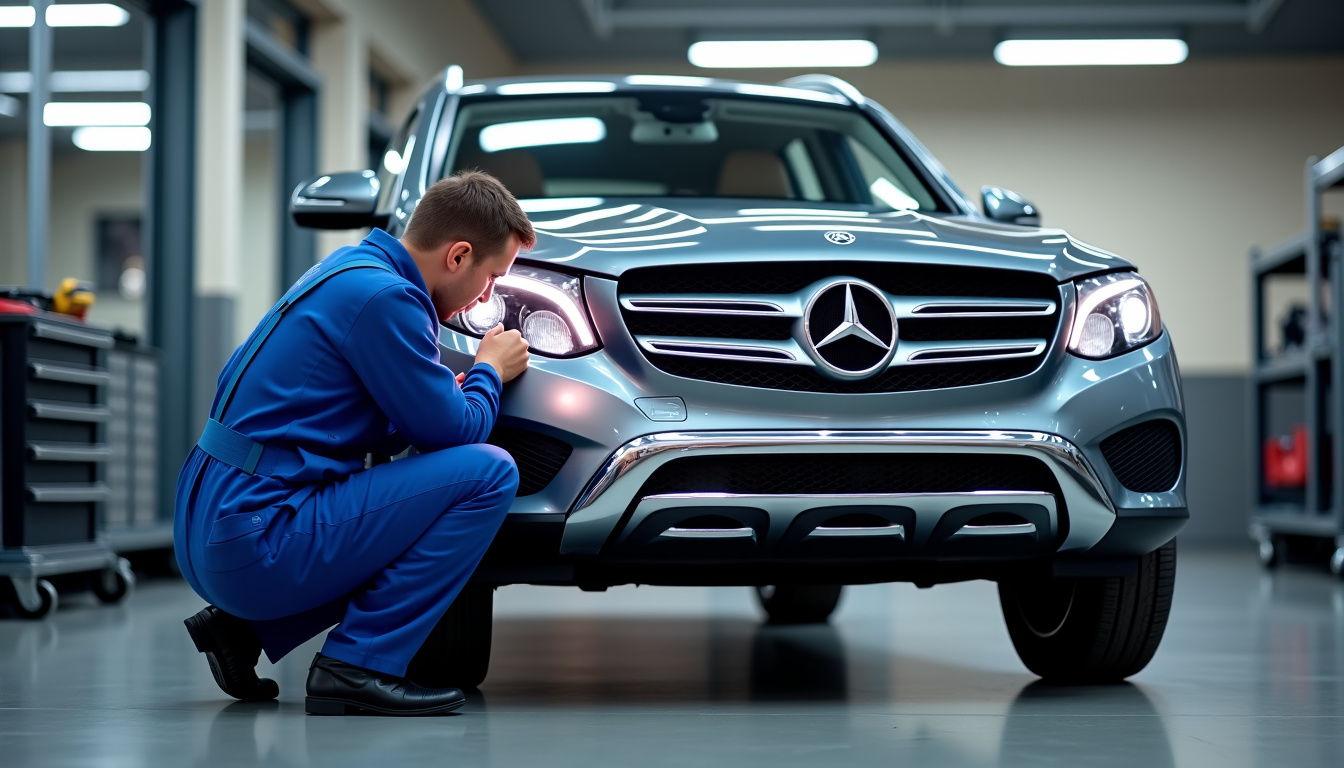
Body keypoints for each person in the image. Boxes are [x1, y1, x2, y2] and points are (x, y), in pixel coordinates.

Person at [174, 171, 535, 716]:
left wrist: (435, 397)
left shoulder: (350, 270)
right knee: (490, 473)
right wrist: (489, 369)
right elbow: (456, 434)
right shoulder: (389, 299)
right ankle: (357, 664)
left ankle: (243, 632)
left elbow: (361, 421)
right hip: (254, 541)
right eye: (490, 278)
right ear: (458, 256)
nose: (486, 296)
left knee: (410, 504)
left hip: (211, 525)